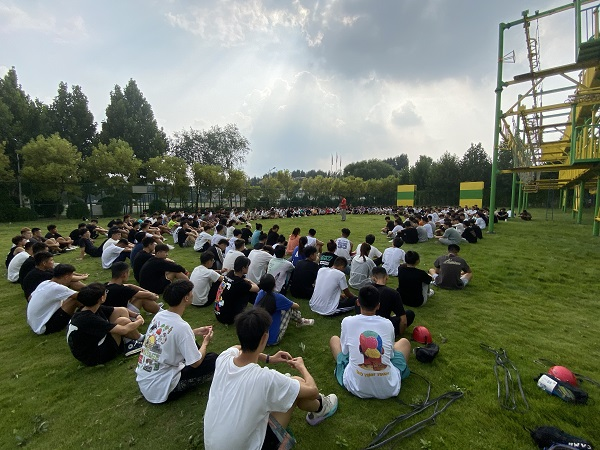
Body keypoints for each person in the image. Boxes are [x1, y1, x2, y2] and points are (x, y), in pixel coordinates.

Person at [204, 308, 338, 450]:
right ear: (264, 337)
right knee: (297, 386)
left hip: (212, 444)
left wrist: (269, 358)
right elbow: (312, 391)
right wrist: (302, 367)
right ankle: (322, 407)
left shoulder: (223, 358)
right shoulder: (265, 378)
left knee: (289, 386)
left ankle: (316, 406)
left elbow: (238, 348)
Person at [136, 280, 217, 403]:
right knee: (213, 360)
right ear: (186, 298)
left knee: (192, 346)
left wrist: (194, 332)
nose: (193, 294)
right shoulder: (182, 326)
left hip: (146, 380)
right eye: (191, 293)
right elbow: (195, 363)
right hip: (161, 388)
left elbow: (167, 335)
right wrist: (206, 342)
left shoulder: (159, 316)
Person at [329, 285, 411, 399]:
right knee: (404, 343)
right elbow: (391, 355)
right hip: (388, 387)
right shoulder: (388, 324)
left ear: (358, 302)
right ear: (378, 305)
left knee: (334, 340)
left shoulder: (347, 322)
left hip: (355, 386)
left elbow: (345, 351)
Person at [67, 283, 145, 366]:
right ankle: (136, 342)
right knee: (122, 321)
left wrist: (136, 315)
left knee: (121, 311)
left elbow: (120, 309)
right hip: (94, 356)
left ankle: (131, 341)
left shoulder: (89, 308)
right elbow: (123, 330)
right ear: (102, 298)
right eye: (105, 292)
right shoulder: (88, 318)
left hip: (92, 345)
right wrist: (139, 321)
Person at [255, 274, 314, 346]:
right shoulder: (278, 297)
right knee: (288, 308)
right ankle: (300, 321)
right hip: (271, 340)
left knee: (282, 308)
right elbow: (296, 306)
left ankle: (301, 320)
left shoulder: (260, 294)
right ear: (274, 285)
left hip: (257, 339)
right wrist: (288, 303)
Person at [26, 264, 81, 335]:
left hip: (36, 324)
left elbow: (30, 298)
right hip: (46, 327)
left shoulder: (44, 283)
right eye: (71, 276)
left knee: (69, 298)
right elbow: (82, 296)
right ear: (66, 277)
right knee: (75, 300)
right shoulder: (56, 288)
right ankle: (90, 316)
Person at [214, 255, 259, 325]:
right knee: (249, 292)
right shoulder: (240, 283)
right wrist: (249, 281)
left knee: (246, 290)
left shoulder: (230, 274)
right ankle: (261, 308)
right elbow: (257, 288)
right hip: (228, 318)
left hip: (219, 313)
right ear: (243, 268)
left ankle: (259, 307)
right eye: (247, 266)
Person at [370, 267, 415, 336]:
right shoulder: (393, 293)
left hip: (367, 324)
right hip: (384, 328)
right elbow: (404, 321)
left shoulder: (365, 290)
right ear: (387, 277)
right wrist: (400, 334)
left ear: (373, 278)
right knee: (409, 313)